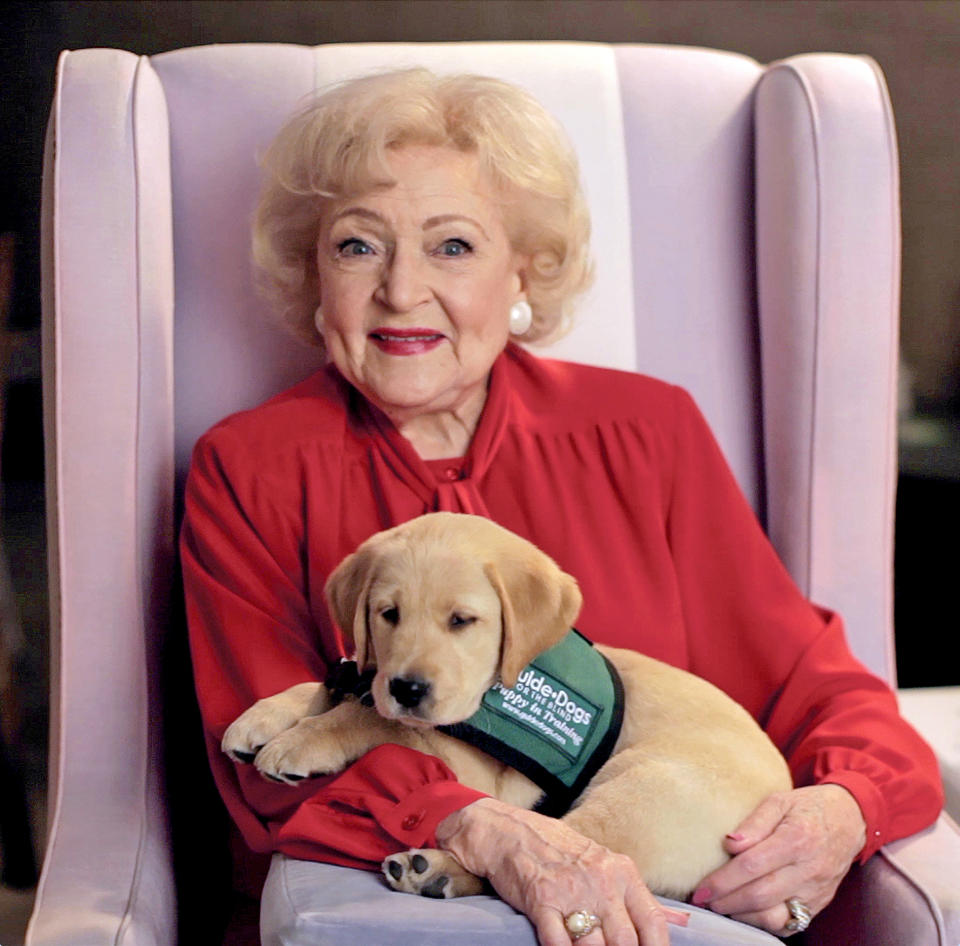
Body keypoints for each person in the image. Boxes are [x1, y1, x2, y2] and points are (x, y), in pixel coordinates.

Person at [180, 68, 943, 946]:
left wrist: (845, 807)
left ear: (524, 271)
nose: (399, 290)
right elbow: (265, 768)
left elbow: (818, 688)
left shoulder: (644, 431)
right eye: (357, 246)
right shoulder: (248, 468)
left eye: (453, 246)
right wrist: (485, 829)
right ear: (314, 273)